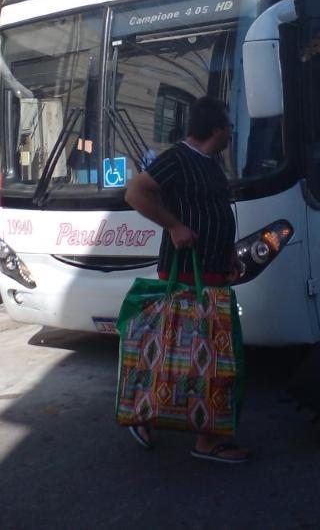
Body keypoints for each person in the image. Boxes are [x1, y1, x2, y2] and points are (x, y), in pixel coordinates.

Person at [123, 96, 250, 464]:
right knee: (204, 357)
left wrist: (228, 253)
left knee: (190, 357)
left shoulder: (211, 162)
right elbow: (135, 192)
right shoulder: (178, 158)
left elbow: (215, 211)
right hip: (185, 271)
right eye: (228, 126)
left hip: (211, 269)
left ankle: (147, 416)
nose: (231, 132)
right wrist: (175, 226)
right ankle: (205, 440)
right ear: (216, 129)